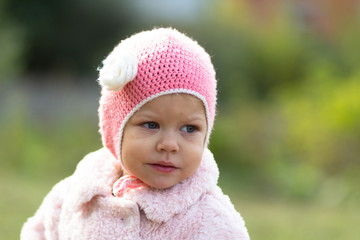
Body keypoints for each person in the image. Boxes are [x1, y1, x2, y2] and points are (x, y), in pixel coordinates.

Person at [21, 27, 250, 239]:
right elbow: (38, 232)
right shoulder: (80, 192)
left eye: (189, 128)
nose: (169, 144)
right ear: (116, 128)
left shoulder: (212, 224)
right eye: (151, 124)